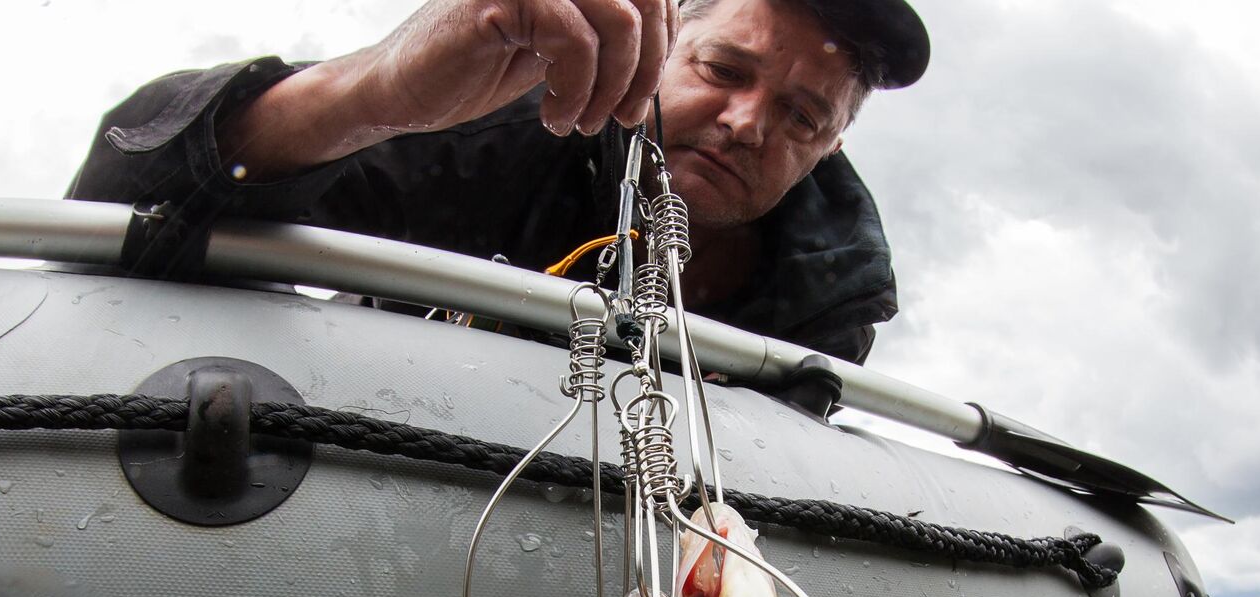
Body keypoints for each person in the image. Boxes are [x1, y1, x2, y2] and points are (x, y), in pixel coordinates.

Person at [67, 0, 927, 363]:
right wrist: (379, 94)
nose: (747, 122)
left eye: (803, 117)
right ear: (663, 42)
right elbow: (119, 209)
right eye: (722, 68)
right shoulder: (501, 125)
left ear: (834, 147)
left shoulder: (834, 299)